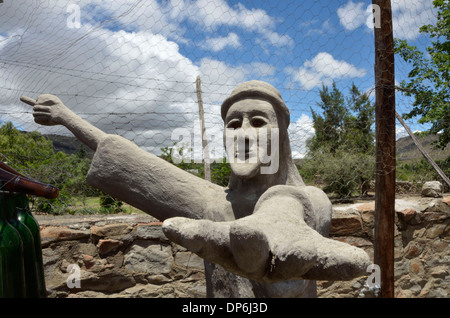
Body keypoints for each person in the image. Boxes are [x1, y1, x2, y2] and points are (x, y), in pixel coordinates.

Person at [21, 80, 370, 297]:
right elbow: (135, 162)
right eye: (233, 124)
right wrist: (67, 118)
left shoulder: (313, 200)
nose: (244, 133)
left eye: (259, 122)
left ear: (282, 135)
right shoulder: (211, 202)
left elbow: (292, 227)